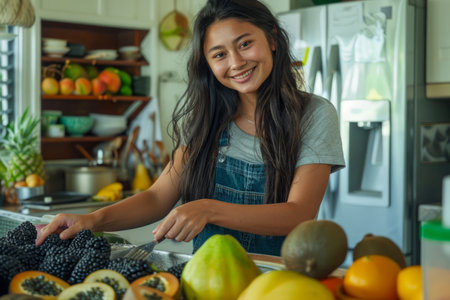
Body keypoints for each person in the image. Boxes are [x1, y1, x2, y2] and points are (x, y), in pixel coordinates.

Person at [36, 0, 345, 256]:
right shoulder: (205, 119)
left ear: (273, 39)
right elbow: (158, 198)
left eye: (245, 44)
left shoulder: (314, 114)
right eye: (220, 54)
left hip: (277, 280)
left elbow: (298, 213)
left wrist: (208, 209)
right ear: (208, 64)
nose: (236, 62)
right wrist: (92, 219)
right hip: (205, 281)